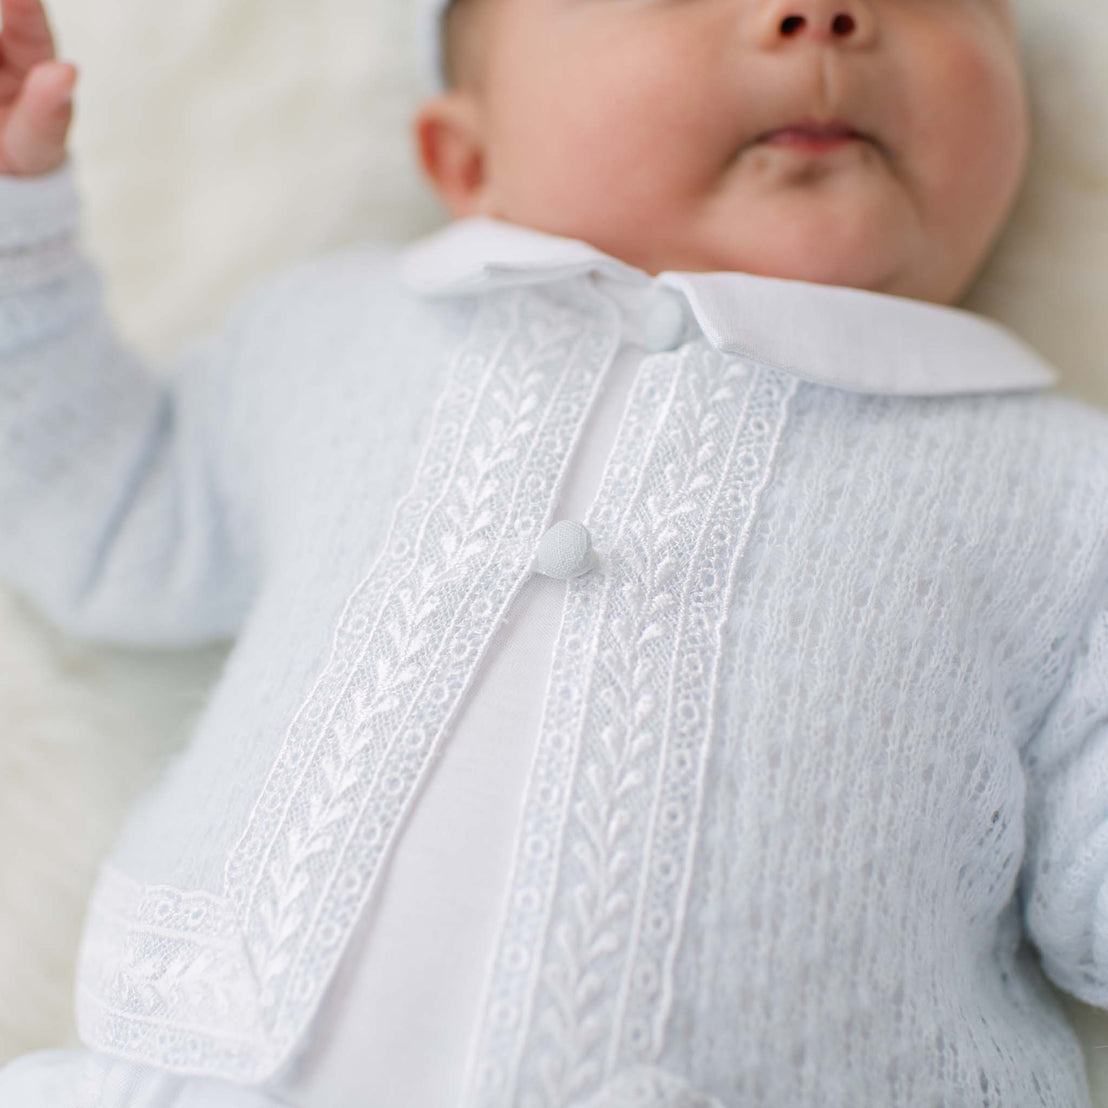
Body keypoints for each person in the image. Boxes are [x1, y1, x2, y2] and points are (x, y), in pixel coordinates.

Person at [0, 0, 1107, 1103]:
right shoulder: (334, 335)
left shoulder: (1060, 487)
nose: (815, 15)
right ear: (467, 158)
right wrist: (16, 232)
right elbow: (104, 513)